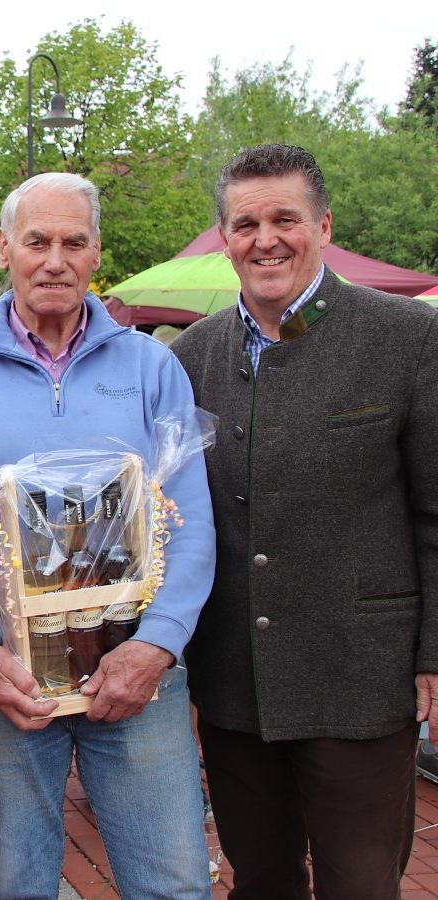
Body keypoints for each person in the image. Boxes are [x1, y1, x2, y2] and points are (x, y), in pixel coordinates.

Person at [0, 172, 216, 899]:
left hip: (138, 677)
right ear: (7, 246)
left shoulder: (151, 366)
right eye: (37, 240)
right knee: (18, 884)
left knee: (171, 883)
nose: (54, 259)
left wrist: (155, 645)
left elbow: (192, 518)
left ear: (96, 251)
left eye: (73, 242)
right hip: (8, 682)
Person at [171, 143, 438, 900]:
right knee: (261, 881)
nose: (266, 239)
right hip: (232, 683)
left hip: (360, 675)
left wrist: (435, 654)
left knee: (360, 885)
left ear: (321, 223)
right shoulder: (190, 357)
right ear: (225, 237)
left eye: (285, 218)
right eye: (246, 223)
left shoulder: (408, 338)